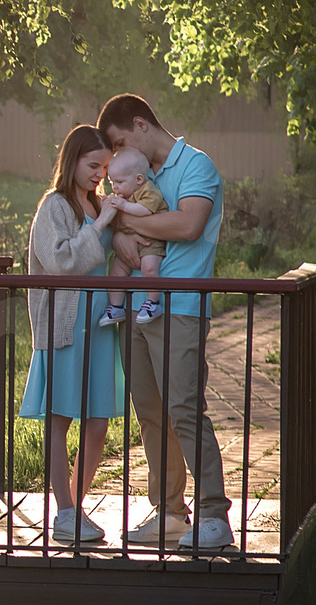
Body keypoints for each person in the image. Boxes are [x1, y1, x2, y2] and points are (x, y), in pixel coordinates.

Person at [95, 94, 231, 550]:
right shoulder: (134, 175)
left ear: (140, 124)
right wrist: (118, 235)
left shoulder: (197, 166)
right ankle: (171, 512)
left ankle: (214, 515)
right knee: (151, 415)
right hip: (136, 305)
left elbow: (188, 225)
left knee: (186, 411)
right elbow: (119, 218)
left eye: (118, 142)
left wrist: (127, 224)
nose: (115, 156)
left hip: (181, 307)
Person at [18, 126, 125, 544]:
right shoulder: (54, 205)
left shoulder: (97, 202)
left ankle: (73, 511)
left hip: (100, 324)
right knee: (61, 418)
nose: (100, 173)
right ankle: (65, 511)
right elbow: (62, 261)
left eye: (104, 166)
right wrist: (100, 226)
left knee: (97, 423)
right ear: (72, 160)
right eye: (93, 165)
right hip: (65, 323)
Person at [95, 146, 169, 325]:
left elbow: (145, 210)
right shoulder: (125, 195)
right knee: (116, 272)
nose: (115, 186)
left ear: (139, 179)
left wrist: (123, 206)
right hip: (128, 242)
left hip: (150, 242)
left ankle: (153, 302)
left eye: (119, 182)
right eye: (112, 182)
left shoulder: (148, 191)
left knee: (149, 268)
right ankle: (116, 307)